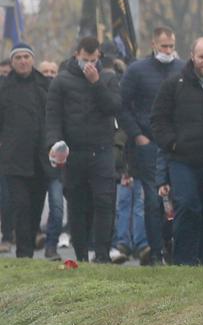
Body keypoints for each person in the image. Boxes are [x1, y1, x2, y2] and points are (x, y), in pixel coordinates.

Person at [151, 37, 203, 266]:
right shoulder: (174, 84)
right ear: (192, 56)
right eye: (201, 56)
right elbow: (158, 119)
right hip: (183, 160)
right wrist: (172, 143)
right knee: (187, 205)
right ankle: (183, 261)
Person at [46, 37, 122, 263]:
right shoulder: (61, 81)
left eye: (93, 59)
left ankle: (101, 255)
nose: (88, 63)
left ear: (99, 57)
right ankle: (81, 255)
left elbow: (114, 107)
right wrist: (55, 143)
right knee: (78, 205)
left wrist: (95, 82)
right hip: (74, 152)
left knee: (104, 201)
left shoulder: (108, 78)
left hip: (101, 150)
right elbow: (53, 117)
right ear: (76, 55)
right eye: (84, 59)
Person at [118, 26, 182, 265]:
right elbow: (121, 105)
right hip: (148, 144)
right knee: (154, 201)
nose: (168, 51)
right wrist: (136, 135)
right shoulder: (137, 70)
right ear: (154, 44)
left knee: (178, 199)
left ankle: (170, 246)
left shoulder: (182, 68)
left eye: (171, 46)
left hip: (176, 145)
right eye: (164, 46)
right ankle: (155, 251)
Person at [0, 45, 51, 258]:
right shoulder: (4, 88)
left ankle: (29, 244)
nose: (23, 61)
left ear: (32, 59)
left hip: (40, 158)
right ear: (12, 62)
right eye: (18, 58)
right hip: (14, 159)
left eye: (26, 57)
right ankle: (24, 253)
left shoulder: (45, 85)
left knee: (35, 208)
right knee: (20, 206)